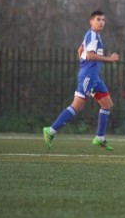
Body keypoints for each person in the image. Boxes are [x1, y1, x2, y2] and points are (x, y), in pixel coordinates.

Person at [42, 10, 120, 151]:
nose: (101, 22)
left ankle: (100, 138)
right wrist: (109, 59)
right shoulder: (93, 36)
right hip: (88, 77)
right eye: (98, 19)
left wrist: (84, 62)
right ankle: (51, 130)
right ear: (91, 21)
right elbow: (89, 55)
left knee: (107, 104)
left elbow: (80, 51)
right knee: (77, 106)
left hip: (94, 77)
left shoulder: (95, 36)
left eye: (103, 20)